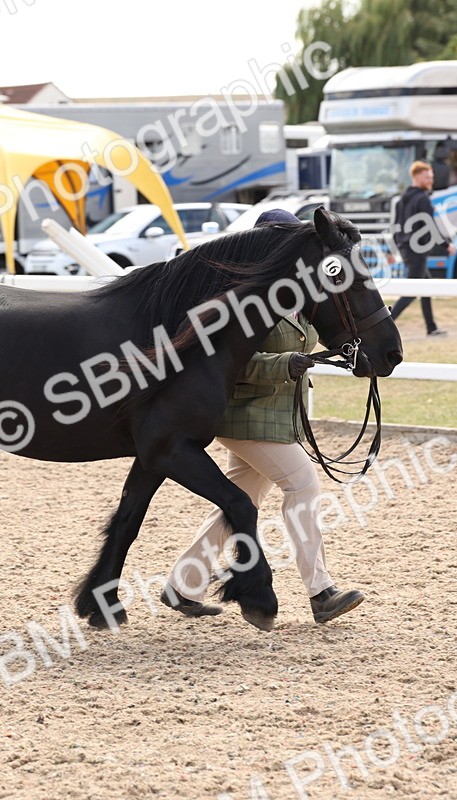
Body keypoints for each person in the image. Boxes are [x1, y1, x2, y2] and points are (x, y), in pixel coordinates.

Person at [159, 209, 366, 625]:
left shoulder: (293, 296)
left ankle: (182, 584)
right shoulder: (246, 300)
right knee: (303, 485)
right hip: (245, 416)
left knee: (241, 502)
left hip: (272, 417)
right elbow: (229, 362)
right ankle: (321, 590)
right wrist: (284, 363)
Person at [390, 160, 451, 336]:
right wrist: (446, 245)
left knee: (426, 287)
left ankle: (431, 327)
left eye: (431, 177)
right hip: (418, 251)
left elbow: (396, 226)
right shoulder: (422, 199)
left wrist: (392, 250)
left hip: (406, 249)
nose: (431, 181)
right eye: (427, 177)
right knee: (411, 293)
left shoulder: (402, 199)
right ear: (416, 177)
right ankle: (384, 323)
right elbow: (431, 226)